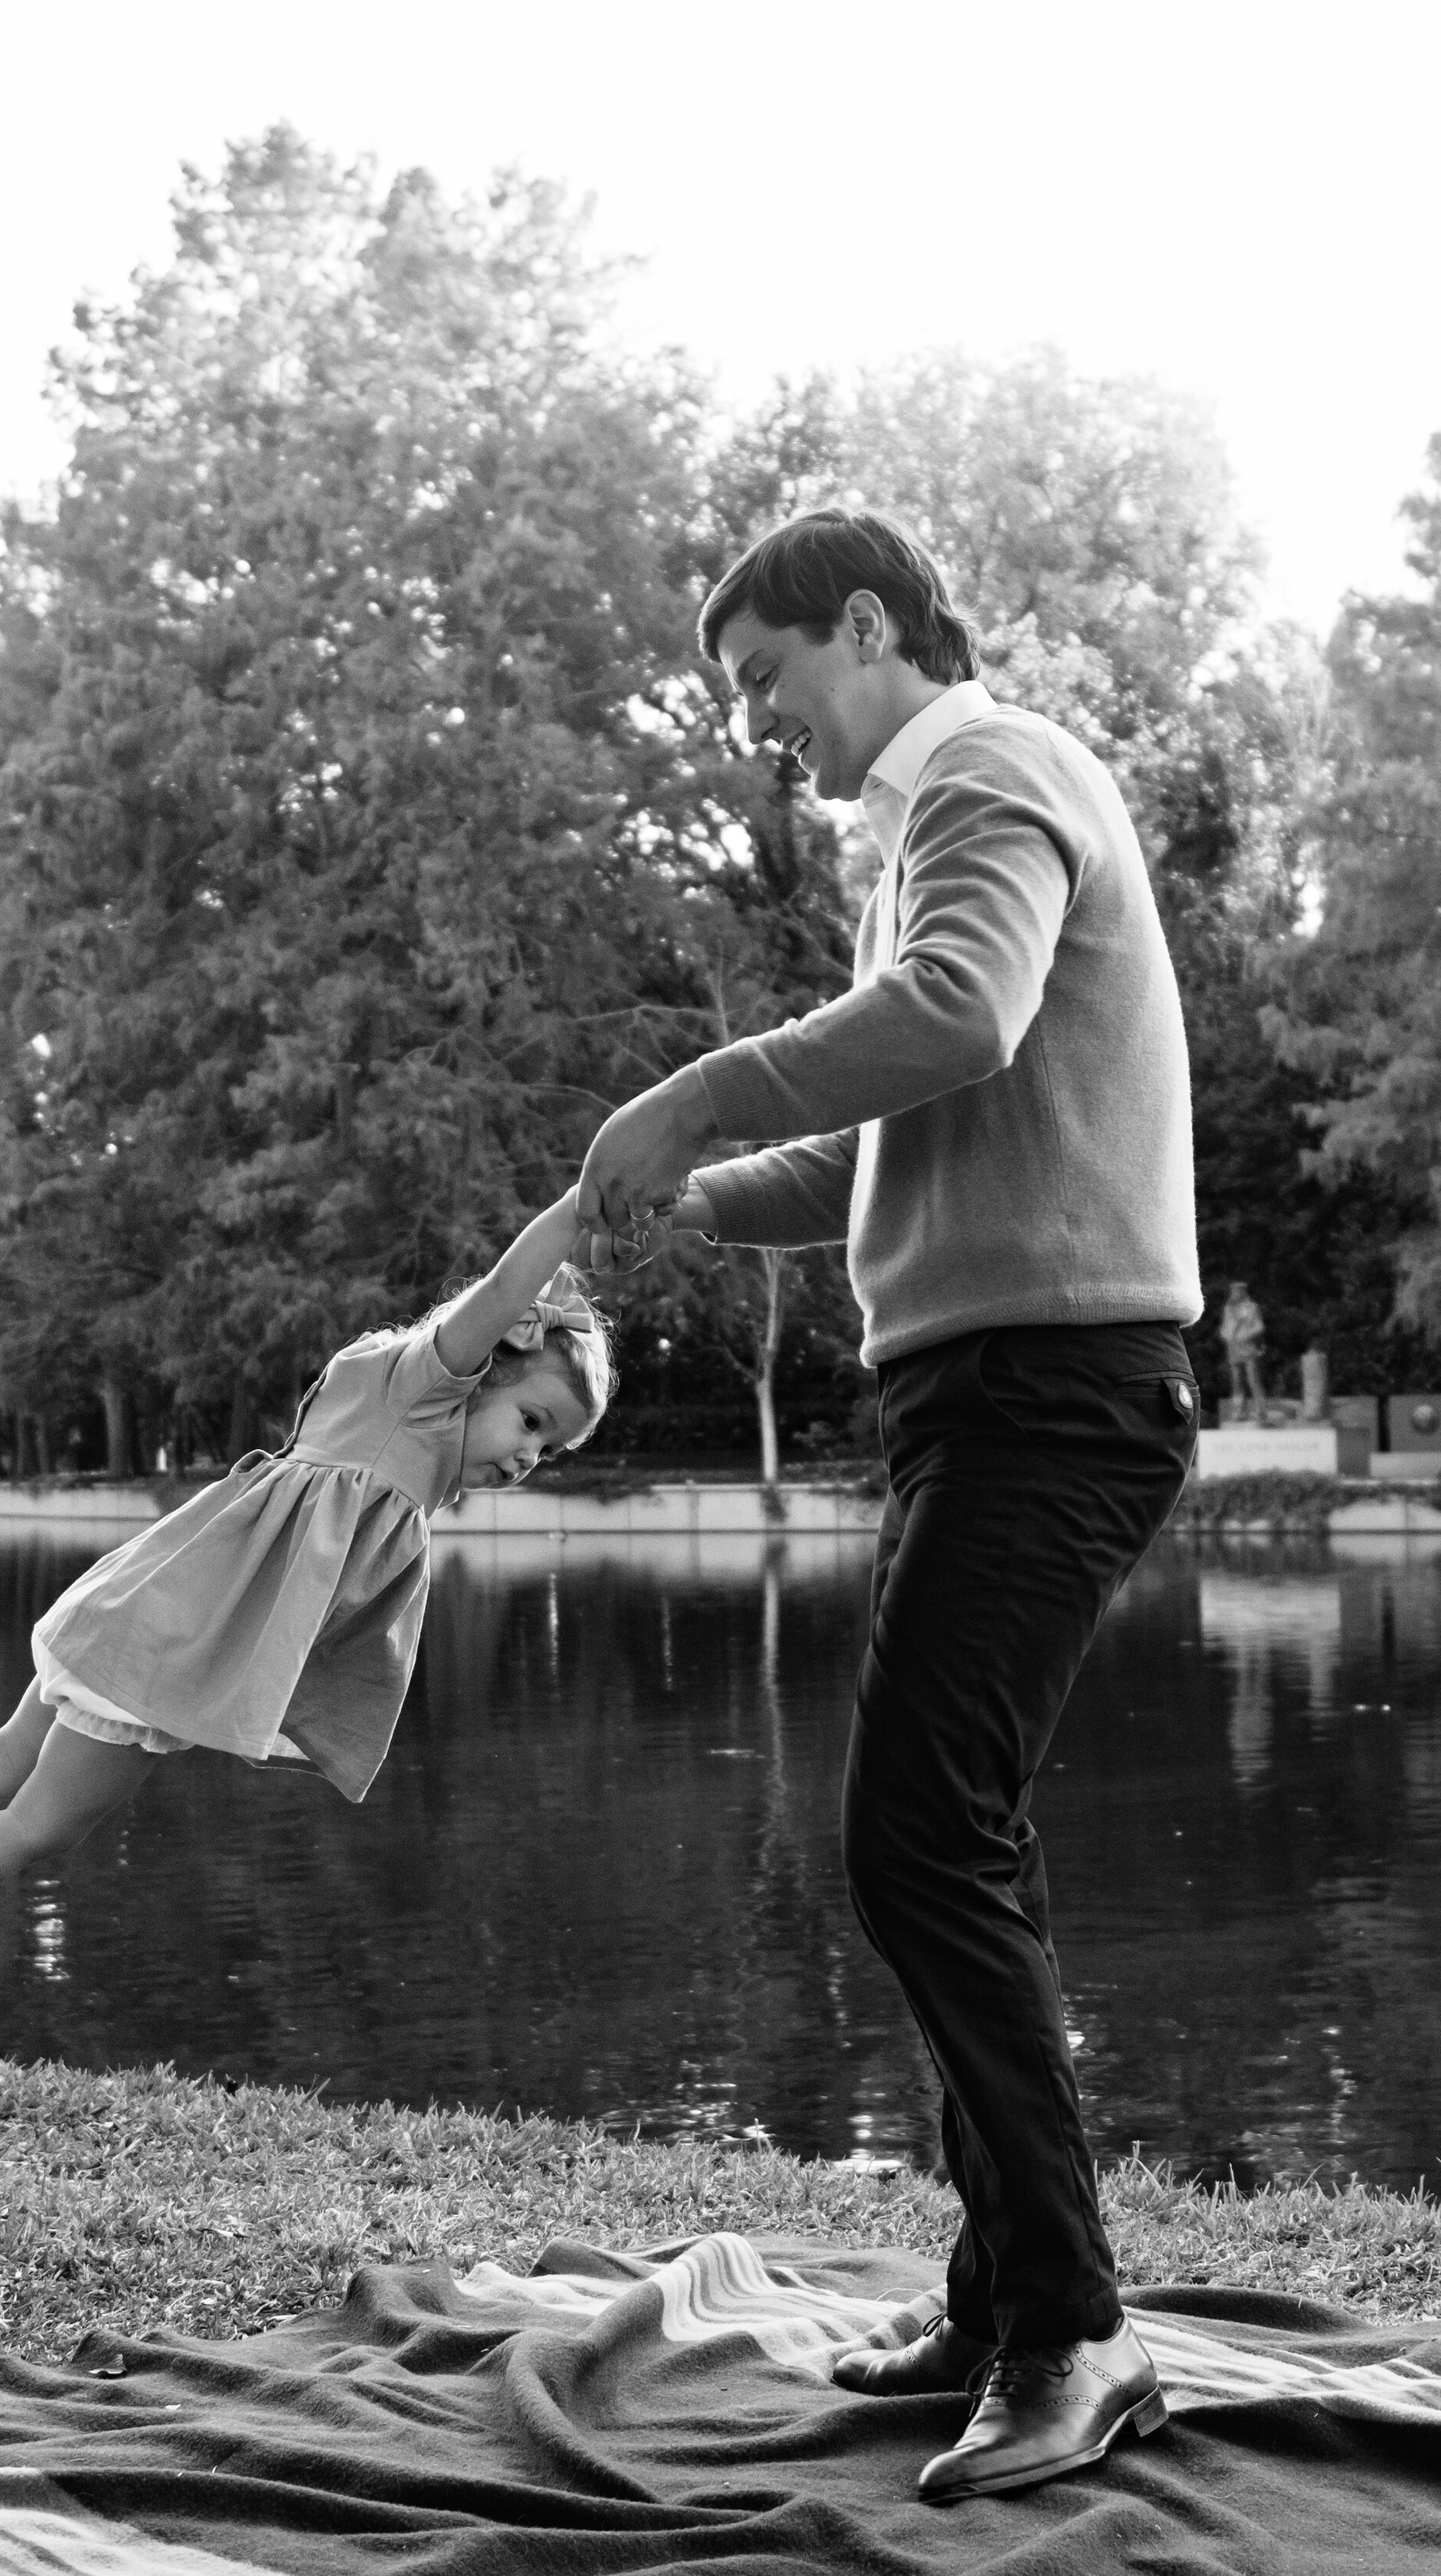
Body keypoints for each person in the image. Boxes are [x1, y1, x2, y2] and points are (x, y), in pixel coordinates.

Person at [577, 509, 1201, 2504]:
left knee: (914, 1830)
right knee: (950, 1831)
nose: (762, 725)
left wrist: (698, 1091)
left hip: (1054, 1390)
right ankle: (997, 2282)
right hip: (983, 1393)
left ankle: (1070, 2327)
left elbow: (957, 1019)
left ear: (865, 625)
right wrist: (681, 1192)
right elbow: (900, 1133)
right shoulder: (935, 824)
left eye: (767, 678)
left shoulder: (984, 771)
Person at [0, 1190, 612, 2049]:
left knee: (3, 1759)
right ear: (482, 1364)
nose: (531, 1455)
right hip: (168, 1639)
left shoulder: (410, 1447)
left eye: (551, 1450)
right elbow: (504, 1288)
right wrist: (586, 1206)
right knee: (45, 1819)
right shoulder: (420, 1389)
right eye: (531, 1420)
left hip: (155, 1612)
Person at [1219, 1281, 1267, 1423]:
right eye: (1233, 1291)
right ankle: (1239, 1412)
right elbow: (1224, 1329)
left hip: (1248, 1347)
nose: (1235, 1294)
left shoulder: (1251, 1308)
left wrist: (1246, 1335)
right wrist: (1227, 1335)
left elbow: (1259, 1326)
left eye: (1238, 1291)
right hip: (1233, 1348)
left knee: (1253, 1378)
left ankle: (1261, 1411)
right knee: (1236, 1381)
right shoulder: (1228, 1309)